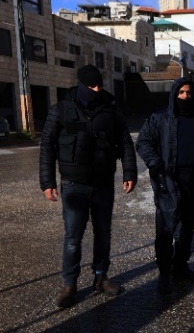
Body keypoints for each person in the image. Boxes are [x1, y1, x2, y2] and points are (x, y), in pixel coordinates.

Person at [39, 64, 137, 308]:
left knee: (103, 234)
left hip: (103, 183)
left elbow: (125, 142)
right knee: (73, 238)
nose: (97, 89)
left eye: (99, 85)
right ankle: (69, 285)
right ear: (81, 85)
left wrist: (130, 172)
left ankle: (101, 277)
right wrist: (47, 182)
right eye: (91, 86)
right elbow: (47, 147)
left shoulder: (111, 111)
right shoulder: (61, 110)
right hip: (74, 185)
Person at [136, 78, 194, 294]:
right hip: (168, 182)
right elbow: (143, 142)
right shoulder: (160, 118)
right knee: (165, 229)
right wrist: (156, 164)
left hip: (193, 182)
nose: (186, 97)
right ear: (174, 94)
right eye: (181, 93)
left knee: (187, 228)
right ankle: (164, 273)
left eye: (189, 93)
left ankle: (181, 267)